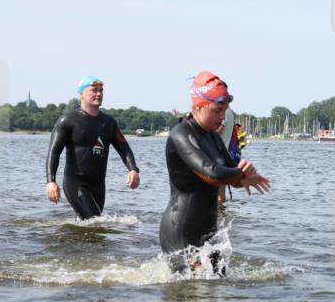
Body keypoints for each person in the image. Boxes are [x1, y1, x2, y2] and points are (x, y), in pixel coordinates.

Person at [159, 71, 270, 275]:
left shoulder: (213, 138)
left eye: (225, 111)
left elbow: (229, 178)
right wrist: (239, 173)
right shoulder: (181, 134)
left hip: (207, 233)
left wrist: (244, 178)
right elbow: (212, 174)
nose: (222, 117)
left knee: (217, 289)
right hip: (180, 230)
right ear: (199, 105)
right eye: (217, 110)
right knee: (192, 299)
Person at [45, 76, 140, 220]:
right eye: (94, 90)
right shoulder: (68, 121)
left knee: (88, 226)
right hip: (75, 183)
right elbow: (54, 152)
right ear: (81, 94)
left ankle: (73, 239)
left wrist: (133, 169)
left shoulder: (108, 123)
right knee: (95, 221)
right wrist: (51, 181)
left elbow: (124, 147)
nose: (99, 94)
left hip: (98, 186)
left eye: (101, 90)